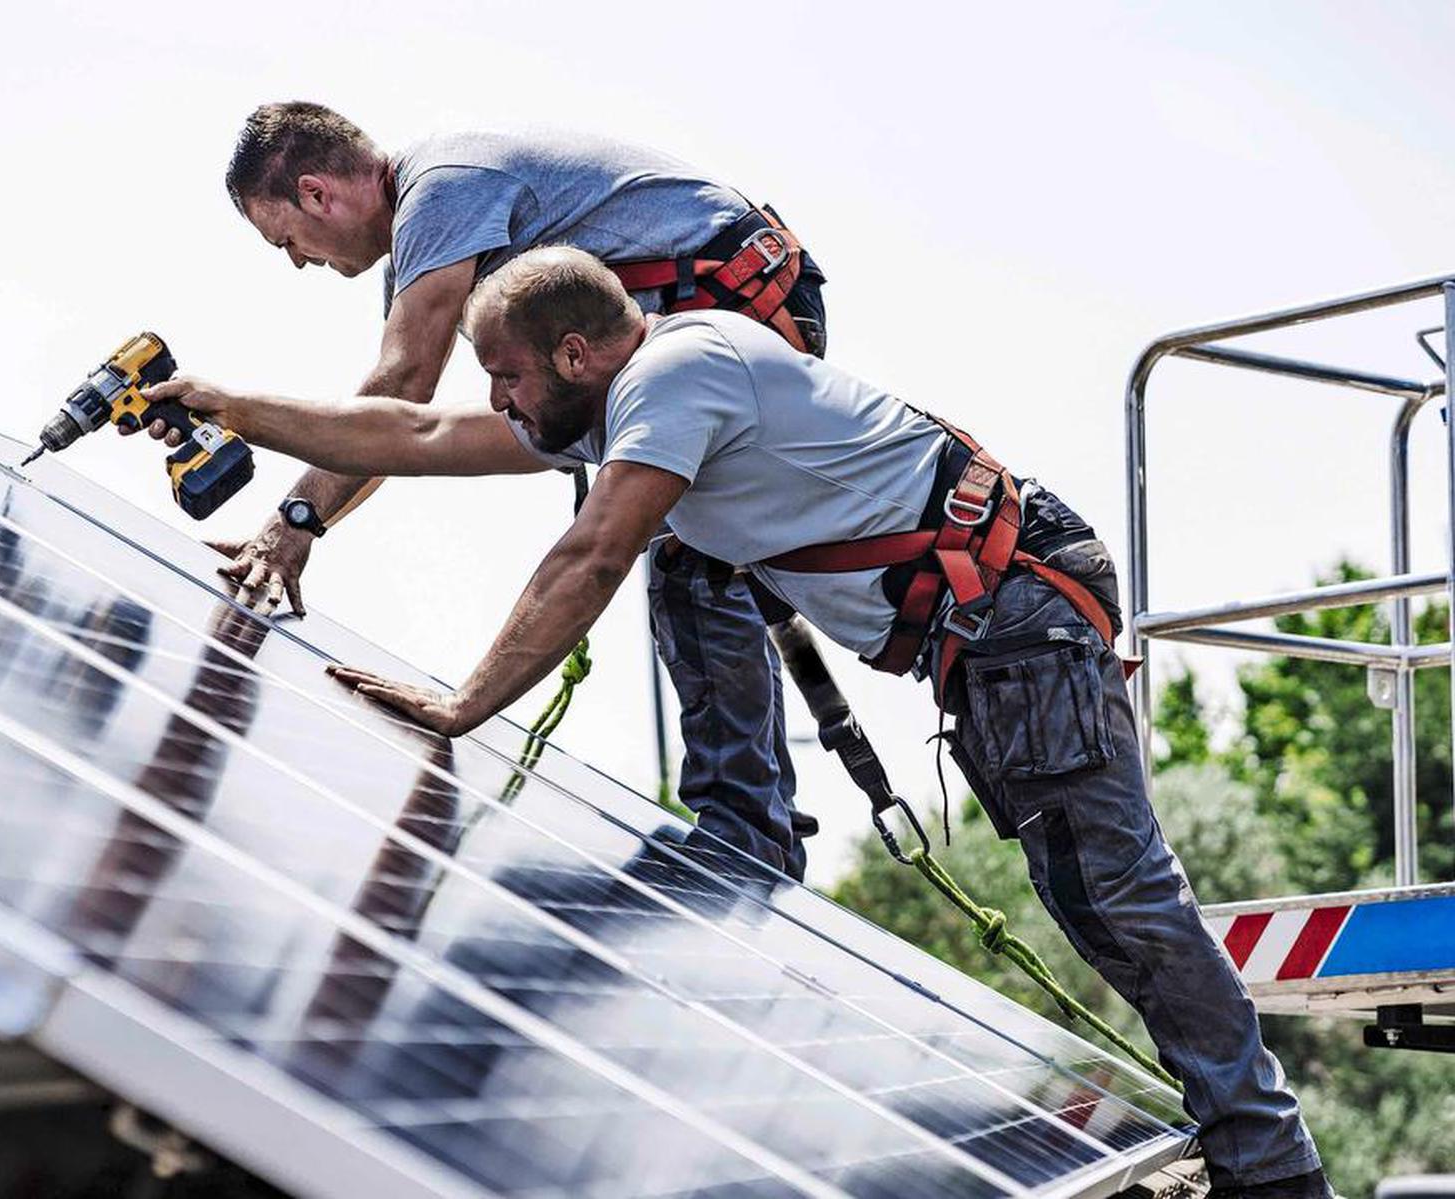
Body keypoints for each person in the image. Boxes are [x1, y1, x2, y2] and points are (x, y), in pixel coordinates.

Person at [138, 247, 1332, 1199]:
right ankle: (1253, 1148)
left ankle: (1271, 1169)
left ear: (572, 350)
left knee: (1121, 898)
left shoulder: (678, 376)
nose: (496, 401)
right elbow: (417, 436)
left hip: (1019, 610)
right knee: (1097, 902)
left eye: (506, 377)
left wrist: (465, 705)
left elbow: (595, 551)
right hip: (995, 634)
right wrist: (222, 403)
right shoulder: (624, 396)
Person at [128, 100, 827, 878]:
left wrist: (292, 525)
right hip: (717, 315)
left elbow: (401, 391)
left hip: (729, 307)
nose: (297, 260)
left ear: (318, 194)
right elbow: (405, 435)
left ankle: (749, 838)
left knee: (686, 558)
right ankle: (752, 823)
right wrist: (296, 520)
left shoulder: (443, 190)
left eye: (285, 238)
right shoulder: (436, 219)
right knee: (691, 557)